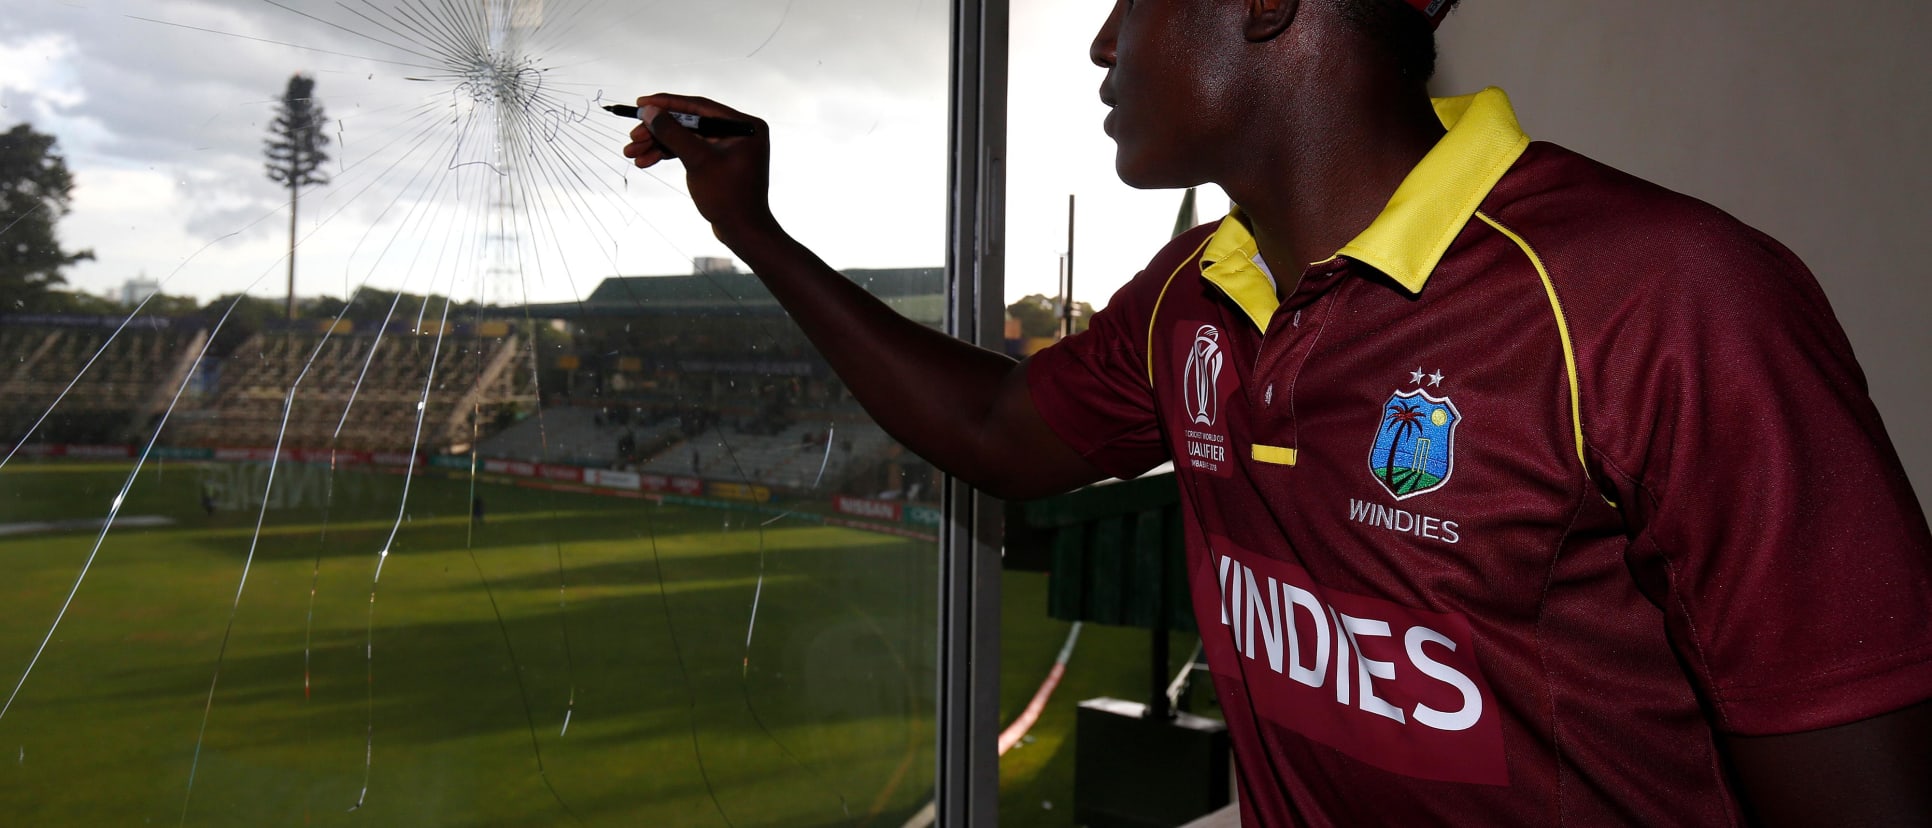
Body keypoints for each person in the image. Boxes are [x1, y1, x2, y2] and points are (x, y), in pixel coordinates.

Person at [622, 0, 1932, 823]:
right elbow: (996, 436)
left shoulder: (1668, 296)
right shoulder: (1197, 293)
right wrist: (757, 232)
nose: (1097, 40)